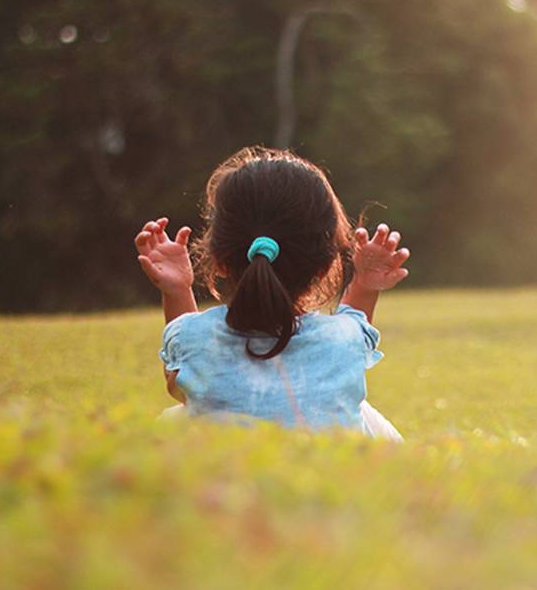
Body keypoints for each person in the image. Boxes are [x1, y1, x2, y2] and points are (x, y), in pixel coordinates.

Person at [133, 146, 407, 440]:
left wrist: (176, 291)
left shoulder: (195, 336)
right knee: (368, 417)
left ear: (219, 260)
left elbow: (184, 388)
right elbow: (356, 328)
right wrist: (365, 284)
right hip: (329, 478)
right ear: (326, 265)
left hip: (222, 480)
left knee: (173, 422)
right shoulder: (344, 338)